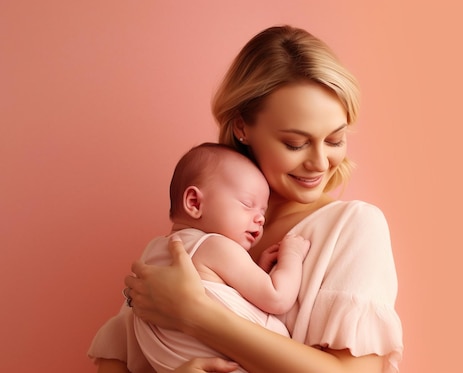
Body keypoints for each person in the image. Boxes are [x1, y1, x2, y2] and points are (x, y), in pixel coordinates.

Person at [89, 25, 403, 373]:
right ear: (242, 127)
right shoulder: (197, 231)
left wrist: (197, 315)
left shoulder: (352, 227)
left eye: (334, 140)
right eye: (295, 143)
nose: (319, 162)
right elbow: (115, 359)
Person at [124, 142, 310, 373]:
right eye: (247, 204)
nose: (260, 219)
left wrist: (254, 270)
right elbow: (277, 298)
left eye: (262, 211)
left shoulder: (152, 253)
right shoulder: (214, 245)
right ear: (194, 203)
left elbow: (215, 293)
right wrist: (292, 254)